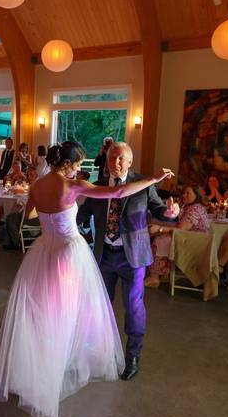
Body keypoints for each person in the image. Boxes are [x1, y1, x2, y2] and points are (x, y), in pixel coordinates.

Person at [0, 141, 173, 417]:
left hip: (44, 252)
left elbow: (30, 215)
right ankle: (66, 361)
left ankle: (49, 362)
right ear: (68, 164)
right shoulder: (71, 186)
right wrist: (154, 178)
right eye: (77, 165)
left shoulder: (37, 184)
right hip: (68, 253)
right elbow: (118, 191)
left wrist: (54, 213)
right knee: (72, 309)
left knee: (47, 311)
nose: (78, 170)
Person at [76, 141, 180, 381]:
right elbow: (82, 215)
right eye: (112, 158)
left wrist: (171, 213)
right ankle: (102, 351)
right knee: (99, 306)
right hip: (103, 256)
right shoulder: (99, 186)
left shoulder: (142, 184)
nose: (116, 163)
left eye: (121, 158)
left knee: (133, 307)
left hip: (132, 257)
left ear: (130, 161)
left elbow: (159, 209)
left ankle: (133, 355)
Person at [144, 185, 211, 287]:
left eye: (188, 193)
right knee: (159, 234)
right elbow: (178, 224)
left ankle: (155, 276)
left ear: (196, 195)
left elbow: (180, 230)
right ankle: (163, 272)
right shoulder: (191, 207)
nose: (184, 195)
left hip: (195, 244)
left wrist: (160, 229)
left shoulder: (195, 209)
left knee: (161, 240)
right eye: (184, 193)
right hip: (192, 240)